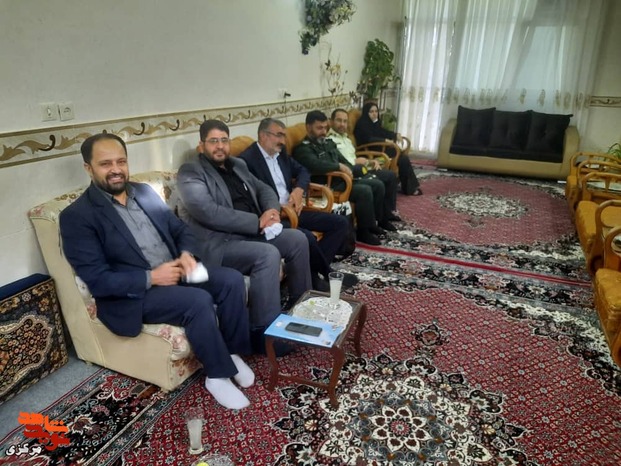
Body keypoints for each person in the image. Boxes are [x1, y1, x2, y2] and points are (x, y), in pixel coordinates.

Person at [59, 133, 254, 410]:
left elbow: (180, 230)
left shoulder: (144, 192)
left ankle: (231, 353)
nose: (116, 169)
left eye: (121, 161)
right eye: (105, 164)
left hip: (174, 272)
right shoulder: (77, 216)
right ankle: (217, 375)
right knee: (198, 301)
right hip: (135, 293)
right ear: (88, 168)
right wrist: (151, 277)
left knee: (231, 280)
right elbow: (98, 280)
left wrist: (186, 255)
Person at [176, 119, 312, 355]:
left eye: (224, 140)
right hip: (219, 243)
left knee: (297, 239)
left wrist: (271, 211)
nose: (220, 146)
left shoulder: (238, 164)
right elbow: (208, 212)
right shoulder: (190, 172)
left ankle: (300, 311)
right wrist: (256, 222)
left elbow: (264, 189)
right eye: (213, 141)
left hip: (252, 233)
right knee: (268, 254)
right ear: (201, 145)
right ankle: (264, 334)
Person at [238, 117, 357, 291]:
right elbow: (253, 196)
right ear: (263, 136)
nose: (283, 140)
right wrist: (277, 209)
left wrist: (299, 189)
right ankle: (327, 273)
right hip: (274, 217)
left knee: (339, 223)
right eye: (279, 135)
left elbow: (303, 171)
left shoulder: (280, 154)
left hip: (295, 210)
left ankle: (312, 274)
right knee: (307, 237)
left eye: (284, 136)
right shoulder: (247, 161)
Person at [293, 110, 397, 246]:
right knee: (364, 191)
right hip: (327, 187)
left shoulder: (327, 143)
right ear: (308, 127)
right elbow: (315, 165)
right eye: (319, 128)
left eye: (325, 128)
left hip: (342, 181)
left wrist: (347, 168)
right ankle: (363, 232)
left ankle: (375, 223)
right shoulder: (303, 149)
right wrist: (339, 166)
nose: (323, 132)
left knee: (378, 185)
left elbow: (344, 161)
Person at [328, 108, 401, 222]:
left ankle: (387, 212)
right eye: (339, 120)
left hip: (361, 167)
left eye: (345, 121)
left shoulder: (346, 138)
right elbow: (338, 161)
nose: (342, 124)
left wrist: (369, 161)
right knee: (378, 183)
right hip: (350, 172)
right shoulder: (329, 140)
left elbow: (354, 156)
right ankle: (378, 219)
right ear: (331, 122)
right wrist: (356, 162)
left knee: (390, 176)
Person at [354, 102, 422, 196]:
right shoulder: (362, 124)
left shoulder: (374, 122)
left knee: (402, 157)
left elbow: (382, 131)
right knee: (400, 156)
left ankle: (408, 187)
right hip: (368, 152)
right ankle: (409, 188)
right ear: (366, 113)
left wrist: (395, 135)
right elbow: (367, 139)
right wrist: (385, 140)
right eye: (371, 112)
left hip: (379, 149)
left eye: (376, 111)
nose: (374, 114)